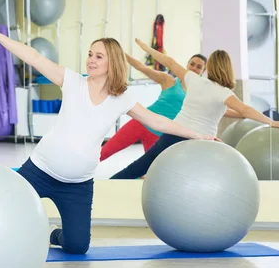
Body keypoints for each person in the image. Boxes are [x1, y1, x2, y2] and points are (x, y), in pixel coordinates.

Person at [0, 17, 216, 255]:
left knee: (78, 246)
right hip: (40, 171)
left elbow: (157, 121)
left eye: (99, 56)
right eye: (90, 54)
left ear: (113, 63)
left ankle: (54, 235)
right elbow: (34, 57)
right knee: (4, 210)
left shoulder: (122, 97)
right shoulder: (71, 82)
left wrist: (196, 135)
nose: (91, 60)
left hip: (78, 185)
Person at [110, 38, 279, 180]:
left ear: (209, 67)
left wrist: (148, 49)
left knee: (141, 166)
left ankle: (106, 188)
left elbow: (169, 62)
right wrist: (271, 122)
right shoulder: (224, 93)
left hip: (174, 133)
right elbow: (245, 110)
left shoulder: (193, 80)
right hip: (201, 141)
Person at [100, 53, 207, 161]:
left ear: (203, 71)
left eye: (199, 67)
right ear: (187, 64)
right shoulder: (169, 80)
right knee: (104, 152)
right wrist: (120, 52)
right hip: (141, 122)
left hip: (160, 133)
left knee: (150, 168)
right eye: (192, 64)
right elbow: (141, 67)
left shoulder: (201, 93)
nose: (194, 68)